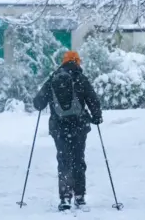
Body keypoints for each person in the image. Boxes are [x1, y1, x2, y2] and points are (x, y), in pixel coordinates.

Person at [33, 50, 103, 211]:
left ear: (63, 62)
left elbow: (38, 103)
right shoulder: (81, 79)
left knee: (64, 161)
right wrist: (97, 116)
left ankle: (65, 197)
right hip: (78, 127)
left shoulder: (53, 79)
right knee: (78, 160)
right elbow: (93, 99)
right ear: (78, 62)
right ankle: (79, 196)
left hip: (59, 128)